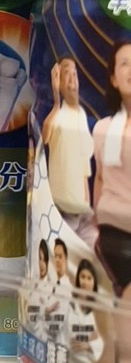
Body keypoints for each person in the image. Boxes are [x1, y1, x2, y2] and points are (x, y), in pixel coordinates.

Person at [94, 42, 131, 293]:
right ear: (114, 79)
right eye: (125, 63)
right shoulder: (104, 129)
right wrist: (95, 227)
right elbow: (100, 178)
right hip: (115, 233)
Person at [46, 57, 95, 231]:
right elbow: (45, 137)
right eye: (66, 73)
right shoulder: (57, 114)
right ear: (57, 80)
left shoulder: (81, 114)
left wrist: (87, 203)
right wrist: (56, 99)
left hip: (81, 208)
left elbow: (84, 164)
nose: (72, 78)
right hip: (60, 206)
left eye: (75, 73)